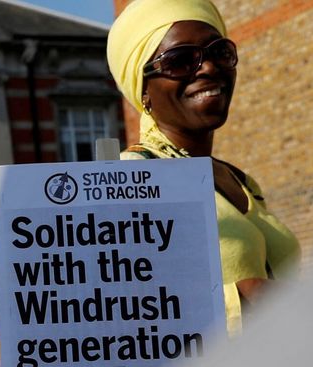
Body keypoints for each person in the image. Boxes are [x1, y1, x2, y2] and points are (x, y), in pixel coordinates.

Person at [107, 0, 301, 335]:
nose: (208, 68)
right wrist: (242, 299)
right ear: (143, 89)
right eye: (180, 60)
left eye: (219, 52)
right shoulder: (132, 178)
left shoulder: (238, 179)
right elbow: (117, 310)